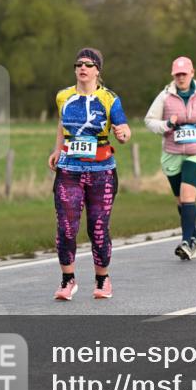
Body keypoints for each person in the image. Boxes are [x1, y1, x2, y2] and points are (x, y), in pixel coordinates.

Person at [47, 48, 131, 301]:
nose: (83, 68)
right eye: (79, 64)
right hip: (69, 171)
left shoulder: (109, 99)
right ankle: (67, 280)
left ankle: (102, 280)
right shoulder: (63, 96)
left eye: (89, 64)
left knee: (98, 229)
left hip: (101, 172)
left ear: (98, 71)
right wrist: (56, 149)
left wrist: (123, 134)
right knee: (66, 228)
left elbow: (124, 126)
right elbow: (62, 123)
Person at [144, 56, 196, 261]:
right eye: (177, 74)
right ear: (173, 76)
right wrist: (166, 125)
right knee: (181, 200)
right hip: (172, 153)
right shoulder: (164, 96)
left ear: (192, 73)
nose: (181, 77)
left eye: (184, 73)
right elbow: (149, 120)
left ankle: (187, 243)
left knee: (188, 194)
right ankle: (194, 233)